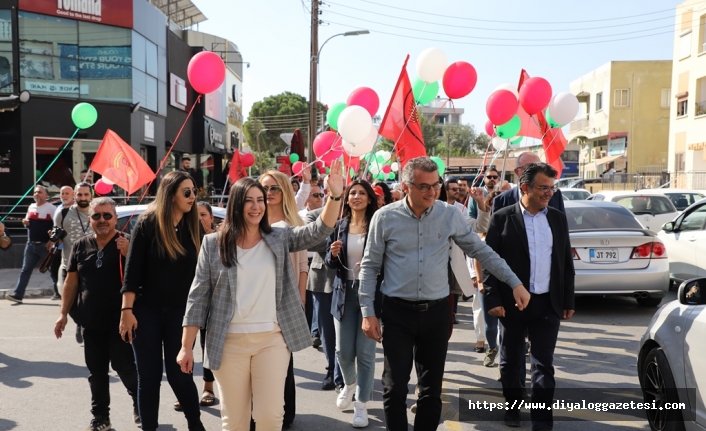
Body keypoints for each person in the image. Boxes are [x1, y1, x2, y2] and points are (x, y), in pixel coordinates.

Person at [358, 157, 526, 431]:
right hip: (397, 313)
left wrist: (514, 282)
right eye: (423, 186)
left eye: (436, 184)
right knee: (395, 388)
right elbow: (369, 267)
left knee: (430, 390)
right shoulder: (385, 217)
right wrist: (368, 312)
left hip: (436, 313)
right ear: (406, 186)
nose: (432, 192)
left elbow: (480, 250)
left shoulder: (449, 215)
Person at [177, 159, 345, 431]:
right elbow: (197, 297)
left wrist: (335, 195)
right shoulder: (213, 244)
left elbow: (318, 231)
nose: (256, 206)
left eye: (260, 200)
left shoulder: (279, 236)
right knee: (235, 422)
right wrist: (186, 346)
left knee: (270, 417)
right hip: (229, 342)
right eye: (249, 200)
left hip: (272, 340)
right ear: (236, 204)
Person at [484, 163, 575, 430]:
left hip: (548, 302)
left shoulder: (557, 218)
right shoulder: (502, 217)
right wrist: (493, 299)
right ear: (525, 187)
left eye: (551, 188)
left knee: (543, 364)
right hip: (512, 303)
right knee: (511, 360)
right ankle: (513, 407)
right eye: (542, 188)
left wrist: (568, 299)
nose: (548, 193)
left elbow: (565, 261)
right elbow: (490, 260)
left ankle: (542, 422)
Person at [119, 171, 206, 431]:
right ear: (170, 195)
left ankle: (195, 424)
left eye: (194, 192)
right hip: (146, 311)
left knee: (180, 375)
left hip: (182, 313)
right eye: (187, 192)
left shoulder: (195, 227)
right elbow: (132, 271)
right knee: (149, 377)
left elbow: (205, 273)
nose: (192, 198)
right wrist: (126, 310)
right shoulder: (147, 223)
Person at [53, 197, 138, 431]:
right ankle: (101, 417)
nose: (102, 220)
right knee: (97, 373)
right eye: (97, 216)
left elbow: (143, 278)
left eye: (107, 215)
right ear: (89, 219)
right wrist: (63, 315)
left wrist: (128, 253)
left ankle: (140, 404)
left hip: (121, 321)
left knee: (125, 368)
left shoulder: (128, 242)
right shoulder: (80, 245)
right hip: (90, 322)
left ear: (115, 218)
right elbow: (71, 283)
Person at [325, 179, 381, 427]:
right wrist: (333, 254)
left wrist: (372, 269)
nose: (356, 196)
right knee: (343, 352)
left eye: (362, 193)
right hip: (344, 294)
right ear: (347, 199)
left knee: (366, 353)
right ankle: (349, 384)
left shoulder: (378, 226)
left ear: (369, 199)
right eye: (352, 193)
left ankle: (361, 404)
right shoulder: (339, 227)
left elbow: (388, 261)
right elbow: (329, 263)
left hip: (370, 295)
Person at [259, 169, 309, 428]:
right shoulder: (253, 218)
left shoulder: (294, 221)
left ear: (284, 191)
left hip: (285, 301)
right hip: (257, 301)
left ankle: (286, 412)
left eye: (274, 188)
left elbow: (302, 266)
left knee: (283, 360)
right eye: (265, 187)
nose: (269, 193)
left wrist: (300, 301)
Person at [305, 197, 344, 391]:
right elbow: (313, 241)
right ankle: (331, 370)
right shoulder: (314, 214)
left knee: (346, 332)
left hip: (348, 279)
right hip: (322, 280)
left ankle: (344, 374)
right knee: (327, 332)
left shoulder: (355, 216)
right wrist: (338, 235)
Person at [6, 186, 55, 304]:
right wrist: (25, 223)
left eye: (40, 192)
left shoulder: (52, 208)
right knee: (25, 270)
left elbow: (56, 226)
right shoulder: (31, 207)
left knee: (52, 270)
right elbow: (28, 224)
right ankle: (18, 295)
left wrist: (52, 240)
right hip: (31, 245)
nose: (37, 194)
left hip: (45, 245)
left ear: (46, 195)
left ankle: (59, 292)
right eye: (35, 192)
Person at [194, 202, 218, 407]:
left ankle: (208, 387)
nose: (199, 219)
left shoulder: (219, 240)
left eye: (203, 214)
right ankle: (182, 391)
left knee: (207, 346)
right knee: (182, 346)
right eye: (195, 215)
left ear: (211, 217)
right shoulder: (183, 240)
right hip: (187, 301)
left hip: (214, 302)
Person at [298, 182, 325, 348]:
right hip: (301, 261)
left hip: (316, 261)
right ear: (307, 197)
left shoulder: (326, 215)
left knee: (315, 300)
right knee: (304, 300)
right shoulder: (299, 214)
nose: (319, 199)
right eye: (315, 195)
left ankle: (314, 332)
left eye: (321, 195)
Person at [493, 152, 565, 214]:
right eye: (528, 168)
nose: (534, 172)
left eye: (538, 168)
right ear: (517, 172)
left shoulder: (555, 194)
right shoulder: (501, 200)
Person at [51, 185, 76, 300]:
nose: (64, 196)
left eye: (67, 193)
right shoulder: (59, 210)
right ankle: (59, 293)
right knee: (56, 271)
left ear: (73, 195)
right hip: (61, 249)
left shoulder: (78, 210)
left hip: (75, 251)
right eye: (63, 193)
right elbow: (56, 228)